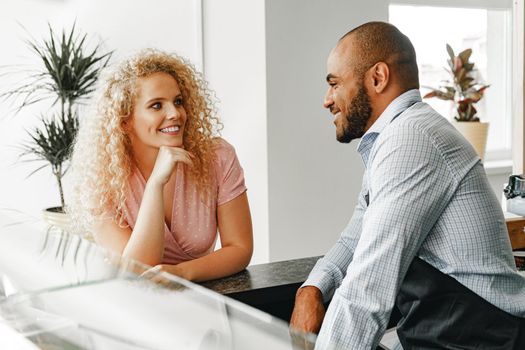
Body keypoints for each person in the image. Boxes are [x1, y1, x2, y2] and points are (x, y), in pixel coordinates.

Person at [290, 21, 525, 349]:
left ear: (377, 77)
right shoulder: (398, 137)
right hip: (452, 330)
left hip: (483, 337)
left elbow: (367, 290)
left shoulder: (412, 140)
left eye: (334, 84)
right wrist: (312, 289)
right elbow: (354, 239)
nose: (327, 100)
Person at [68, 49, 253, 282]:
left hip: (204, 301)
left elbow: (239, 248)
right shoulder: (99, 180)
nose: (175, 113)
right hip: (136, 309)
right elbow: (134, 272)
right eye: (157, 105)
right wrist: (156, 183)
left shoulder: (218, 157)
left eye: (178, 101)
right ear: (124, 120)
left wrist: (182, 274)